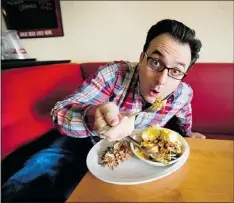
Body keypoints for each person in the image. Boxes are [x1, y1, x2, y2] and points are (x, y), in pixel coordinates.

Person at [1, 19, 205, 202]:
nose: (161, 80)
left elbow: (183, 117)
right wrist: (93, 116)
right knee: (37, 168)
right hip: (81, 140)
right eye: (155, 62)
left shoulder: (183, 93)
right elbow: (60, 112)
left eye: (176, 71)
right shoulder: (115, 74)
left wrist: (188, 135)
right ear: (142, 58)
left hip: (130, 158)